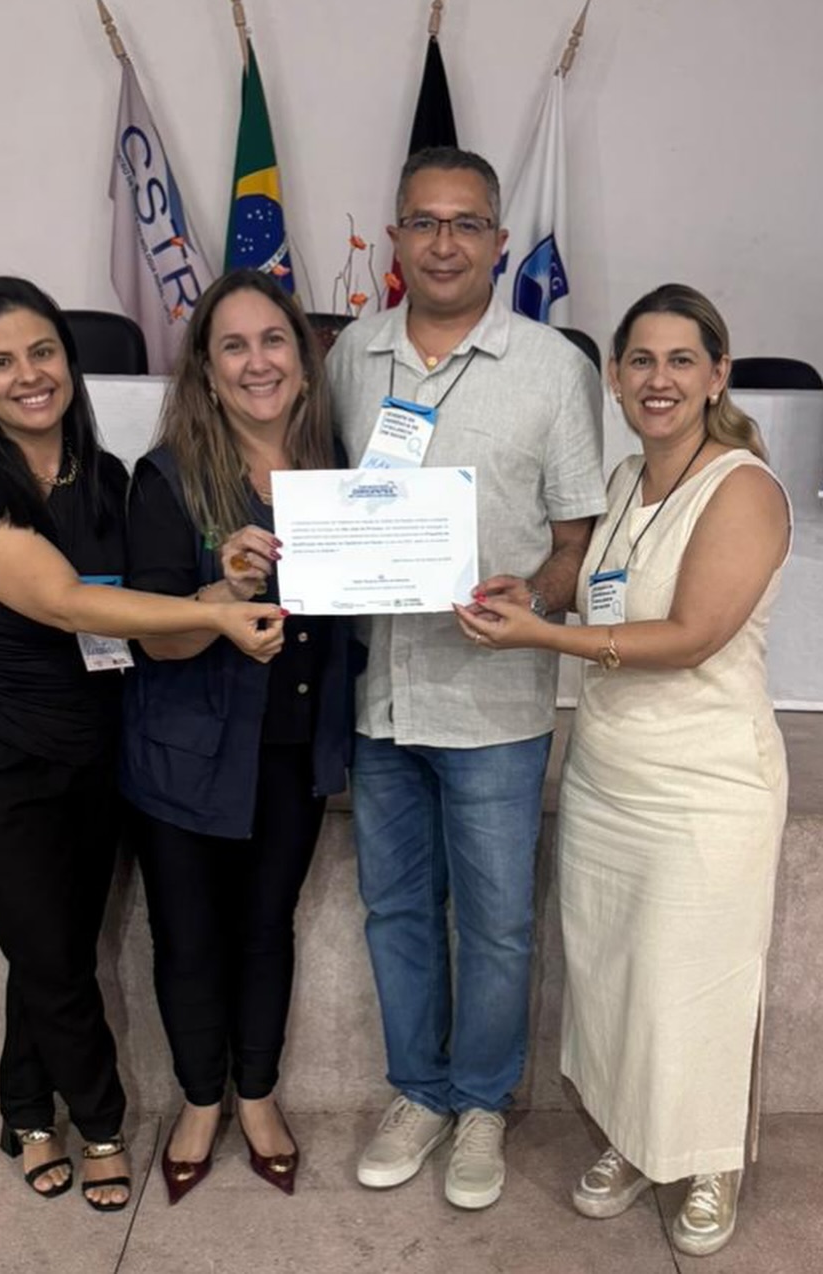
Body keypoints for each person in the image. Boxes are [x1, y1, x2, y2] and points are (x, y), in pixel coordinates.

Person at [0, 275, 285, 1212]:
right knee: (52, 956)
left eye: (42, 351)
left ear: (69, 361)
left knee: (49, 946)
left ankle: (22, 1110)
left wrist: (223, 588)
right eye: (0, 362)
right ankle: (101, 1124)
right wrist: (214, 614)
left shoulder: (105, 477)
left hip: (90, 748)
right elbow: (67, 602)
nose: (29, 375)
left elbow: (138, 611)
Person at [456, 283, 790, 1257]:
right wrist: (534, 597)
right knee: (615, 981)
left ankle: (709, 1161)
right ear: (612, 376)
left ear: (718, 375)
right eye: (640, 359)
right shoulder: (626, 477)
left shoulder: (743, 488)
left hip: (704, 785)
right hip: (608, 772)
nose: (658, 379)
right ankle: (638, 1141)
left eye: (682, 360)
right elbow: (603, 595)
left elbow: (690, 635)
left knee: (692, 981)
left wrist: (542, 638)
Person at [326, 146, 607, 1209]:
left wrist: (538, 596)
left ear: (499, 240)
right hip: (381, 695)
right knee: (395, 909)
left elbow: (576, 544)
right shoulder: (350, 356)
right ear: (396, 237)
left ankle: (482, 1101)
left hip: (494, 703)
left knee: (494, 921)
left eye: (466, 223)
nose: (444, 243)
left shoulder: (553, 367)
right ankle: (420, 1092)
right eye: (424, 222)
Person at [120, 268, 355, 1203]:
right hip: (185, 756)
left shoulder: (344, 471)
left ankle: (255, 1095)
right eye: (233, 346)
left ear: (303, 358)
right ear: (207, 374)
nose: (258, 362)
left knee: (266, 929)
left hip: (293, 749)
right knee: (187, 937)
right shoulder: (166, 479)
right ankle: (198, 1100)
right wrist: (222, 594)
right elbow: (154, 637)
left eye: (273, 340)